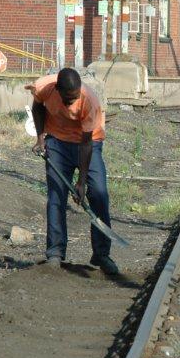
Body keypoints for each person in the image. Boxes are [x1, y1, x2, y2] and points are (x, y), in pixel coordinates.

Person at [26, 68, 119, 275]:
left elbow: (85, 144)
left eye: (75, 97)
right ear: (57, 90)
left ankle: (102, 254)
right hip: (57, 142)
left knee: (99, 193)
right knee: (56, 196)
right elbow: (37, 108)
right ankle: (55, 253)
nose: (72, 103)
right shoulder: (44, 88)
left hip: (88, 144)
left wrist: (82, 182)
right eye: (68, 99)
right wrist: (40, 138)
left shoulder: (89, 101)